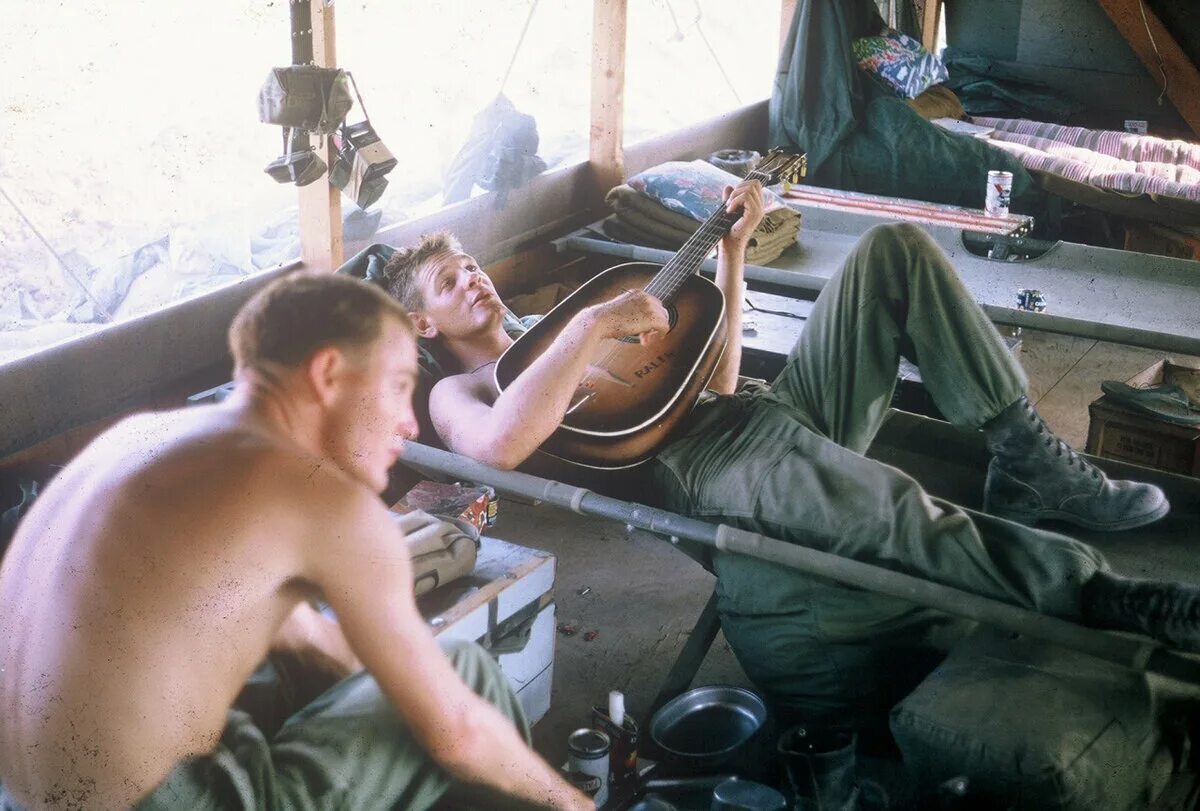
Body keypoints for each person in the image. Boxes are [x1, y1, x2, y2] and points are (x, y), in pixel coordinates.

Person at [380, 180, 1198, 730]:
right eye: (451, 284)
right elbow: (500, 445)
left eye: (474, 268)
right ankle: (1108, 596)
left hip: (759, 410)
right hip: (706, 471)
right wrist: (592, 327)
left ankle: (1024, 446)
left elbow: (718, 374)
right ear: (422, 325)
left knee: (893, 251)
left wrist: (731, 256)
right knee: (902, 515)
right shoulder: (469, 390)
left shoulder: (554, 324)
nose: (478, 283)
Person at [0, 272, 590, 810]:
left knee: (285, 680)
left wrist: (393, 688)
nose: (409, 423)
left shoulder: (140, 439)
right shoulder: (320, 495)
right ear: (328, 374)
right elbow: (457, 734)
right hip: (162, 801)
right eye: (398, 385)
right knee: (465, 674)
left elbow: (312, 643)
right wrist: (569, 802)